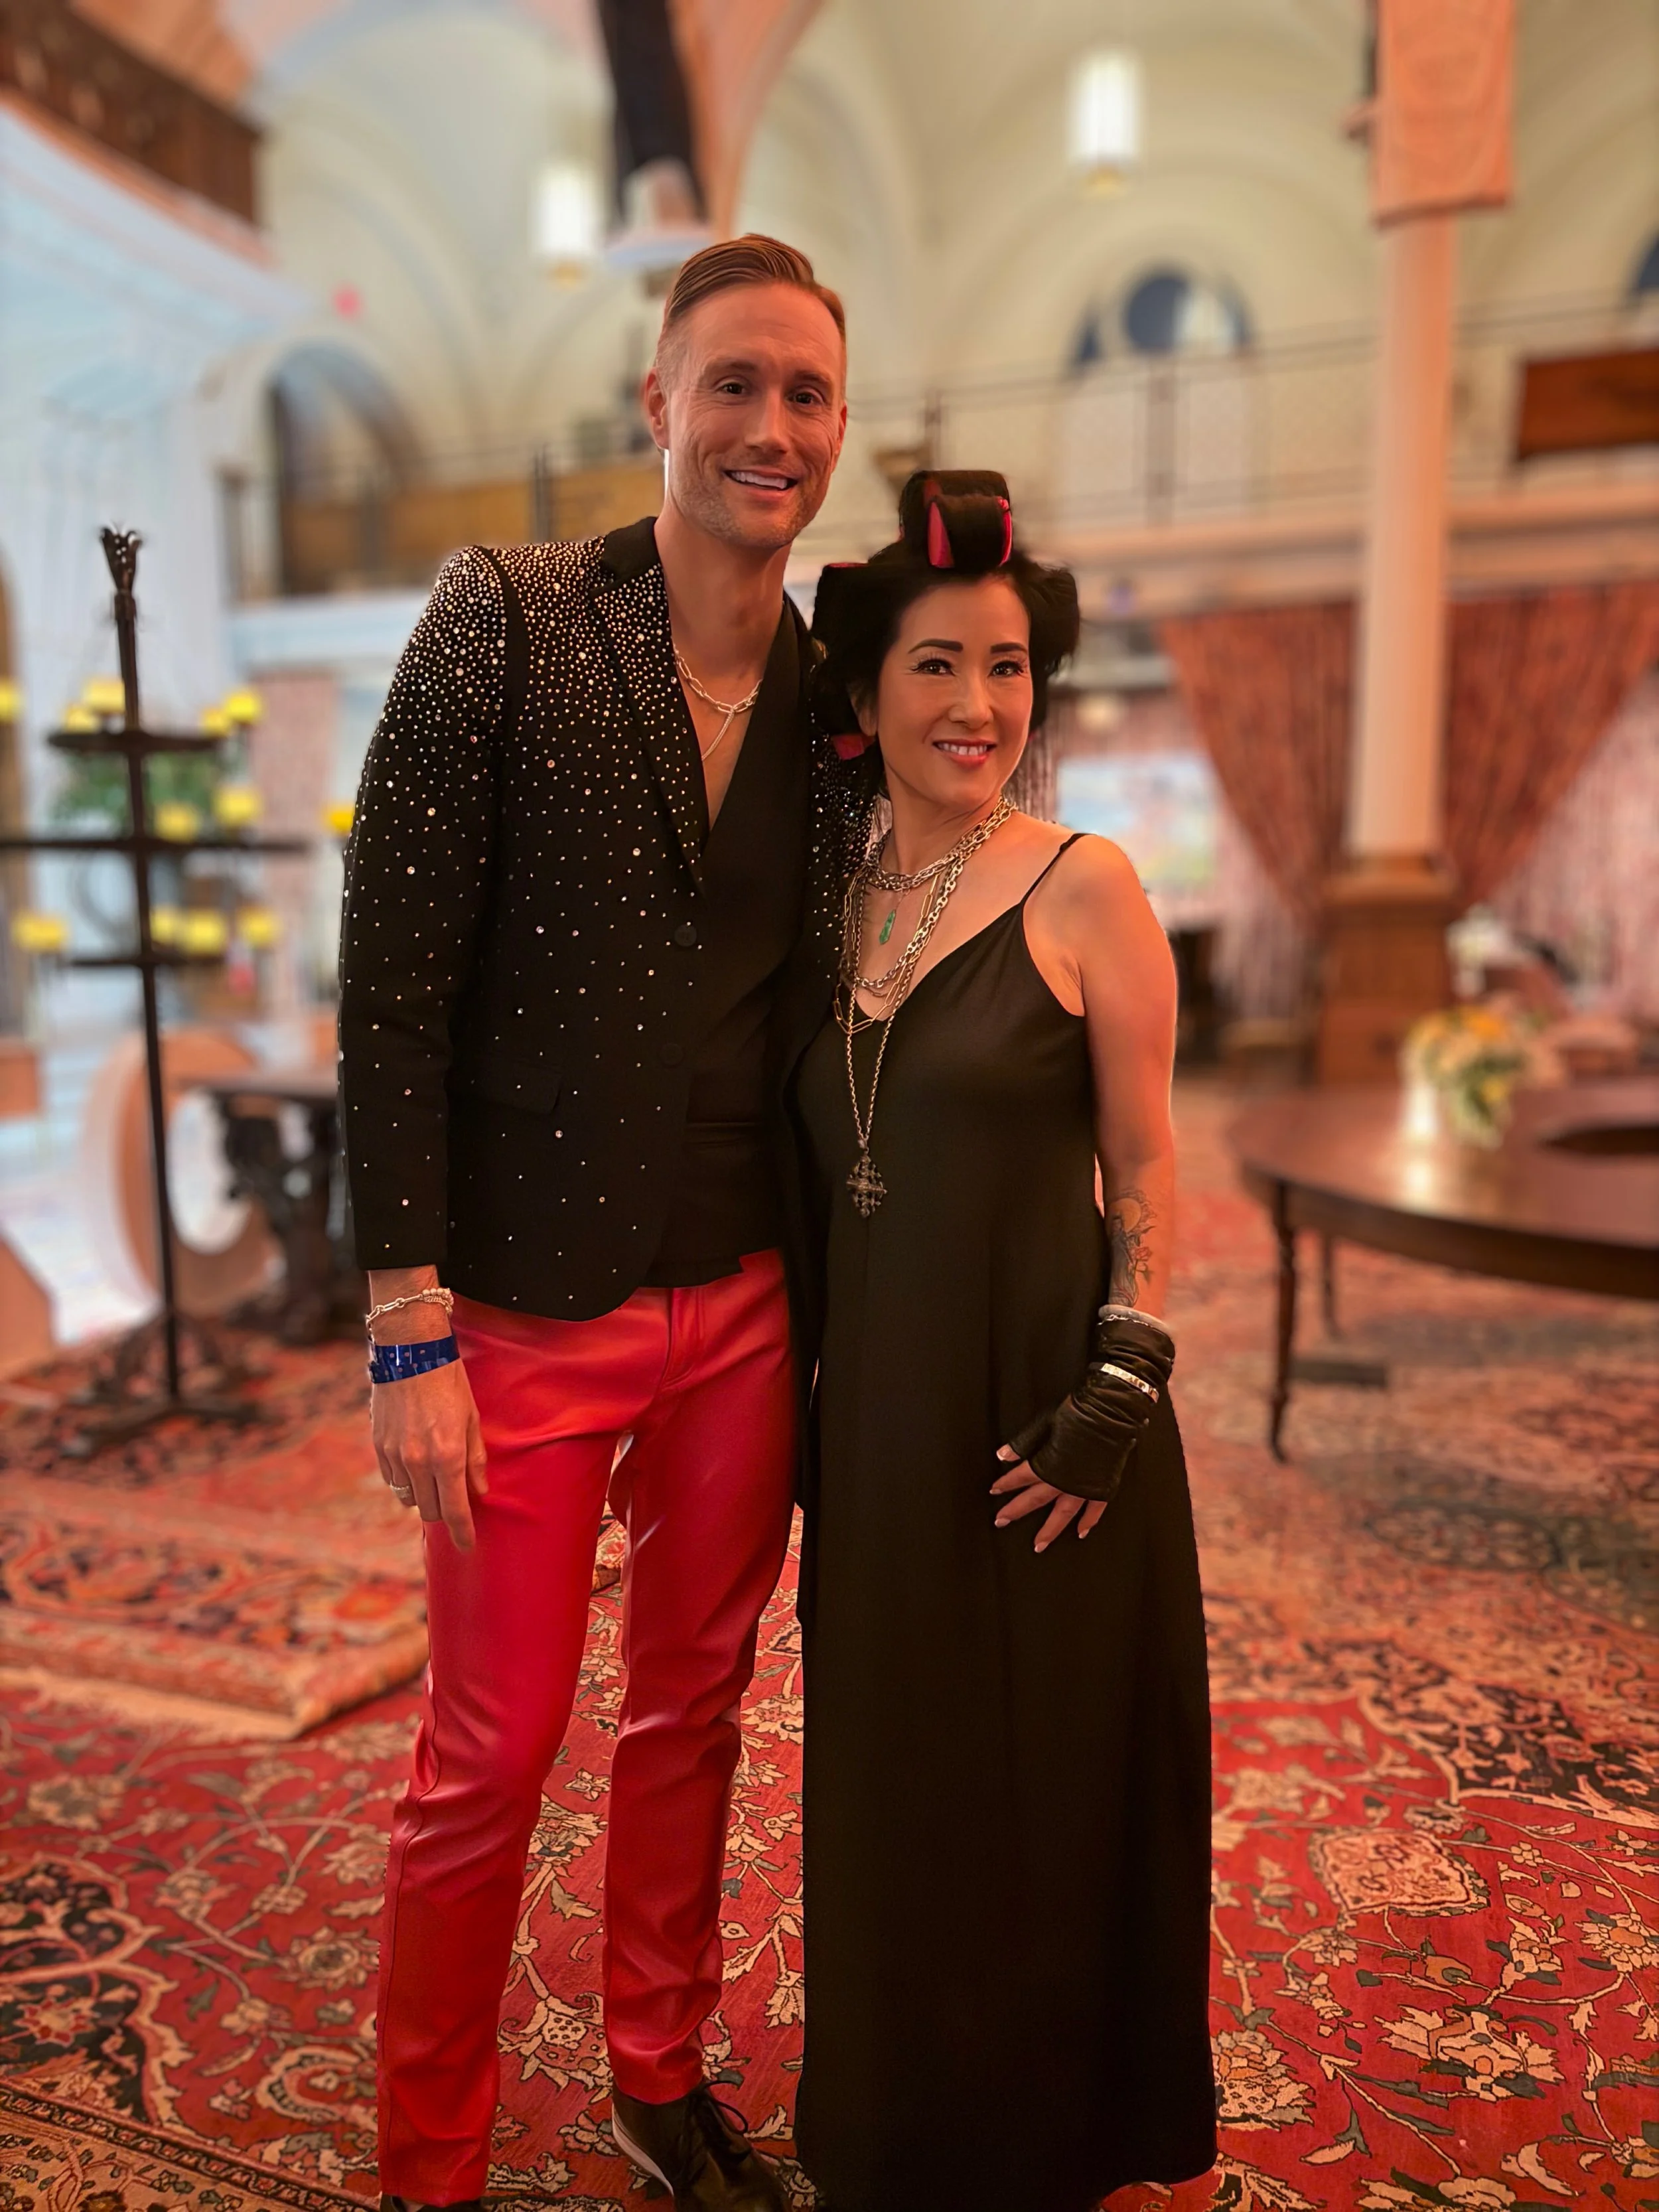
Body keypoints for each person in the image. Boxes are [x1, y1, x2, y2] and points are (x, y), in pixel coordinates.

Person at [338, 233, 854, 2212]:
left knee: (695, 1707)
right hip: (520, 1313)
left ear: (833, 434)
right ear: (655, 404)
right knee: (483, 1758)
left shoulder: (833, 694)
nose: (768, 426)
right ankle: (428, 2161)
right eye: (732, 383)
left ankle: (657, 2072)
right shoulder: (511, 612)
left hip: (737, 1301)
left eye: (804, 394)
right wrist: (406, 1317)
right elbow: (387, 978)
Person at [782, 472, 1217, 2212]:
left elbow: (1152, 1157)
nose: (979, 706)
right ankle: (899, 2131)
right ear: (870, 689)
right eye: (940, 666)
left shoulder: (1085, 884)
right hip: (877, 1431)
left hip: (1052, 1420)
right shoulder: (830, 901)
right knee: (896, 1795)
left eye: (1012, 669)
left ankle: (1064, 2141)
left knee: (1046, 1795)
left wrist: (1120, 1381)